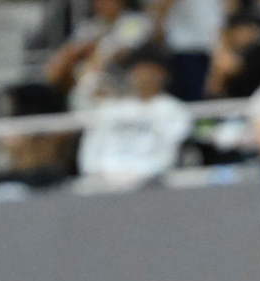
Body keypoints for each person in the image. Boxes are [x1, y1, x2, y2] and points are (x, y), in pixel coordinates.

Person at [77, 46, 193, 186]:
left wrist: (147, 175)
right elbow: (92, 145)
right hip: (103, 181)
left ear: (162, 74)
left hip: (151, 181)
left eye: (150, 70)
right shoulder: (111, 107)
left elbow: (171, 150)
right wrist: (95, 173)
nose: (144, 76)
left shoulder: (173, 109)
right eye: (139, 70)